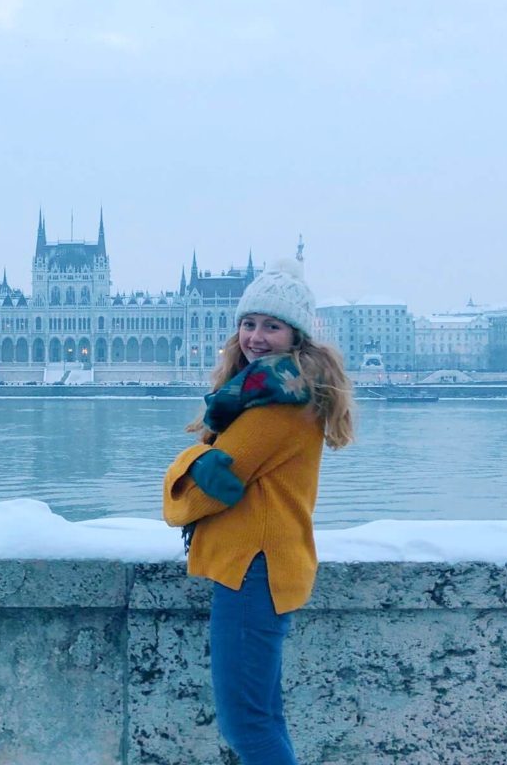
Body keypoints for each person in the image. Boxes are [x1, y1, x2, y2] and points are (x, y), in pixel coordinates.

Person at [162, 258, 354, 765]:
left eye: (272, 325)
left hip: (253, 570)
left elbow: (213, 484)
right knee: (263, 719)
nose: (256, 336)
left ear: (297, 336)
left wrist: (183, 462)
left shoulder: (276, 402)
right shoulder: (277, 389)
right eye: (249, 323)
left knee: (246, 724)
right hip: (266, 565)